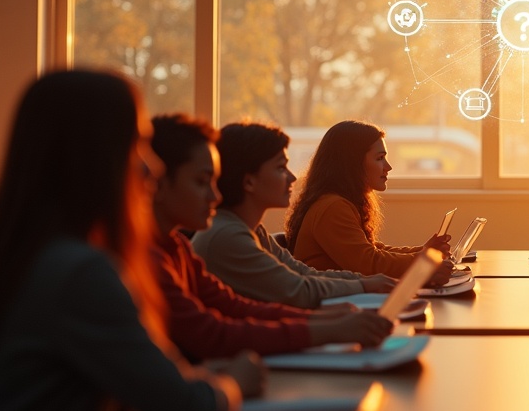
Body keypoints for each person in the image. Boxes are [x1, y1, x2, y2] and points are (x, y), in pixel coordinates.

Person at [0, 70, 261, 411]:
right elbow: (186, 406)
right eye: (137, 145)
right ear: (92, 156)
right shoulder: (79, 272)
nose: (154, 167)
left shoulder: (26, 254)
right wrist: (234, 382)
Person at [150, 114, 393, 361]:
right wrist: (329, 325)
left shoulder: (183, 245)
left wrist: (322, 320)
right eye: (202, 181)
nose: (214, 195)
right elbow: (216, 330)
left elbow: (238, 306)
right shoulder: (223, 236)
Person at [191, 121, 395, 309]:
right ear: (249, 182)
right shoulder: (228, 237)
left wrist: (365, 282)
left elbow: (303, 273)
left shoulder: (252, 229)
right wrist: (363, 286)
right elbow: (298, 291)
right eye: (281, 168)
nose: (292, 177)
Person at [284, 120, 453, 284]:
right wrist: (424, 261)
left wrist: (423, 252)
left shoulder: (337, 201)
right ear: (352, 163)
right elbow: (368, 263)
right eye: (380, 158)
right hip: (335, 306)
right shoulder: (332, 207)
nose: (388, 167)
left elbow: (371, 250)